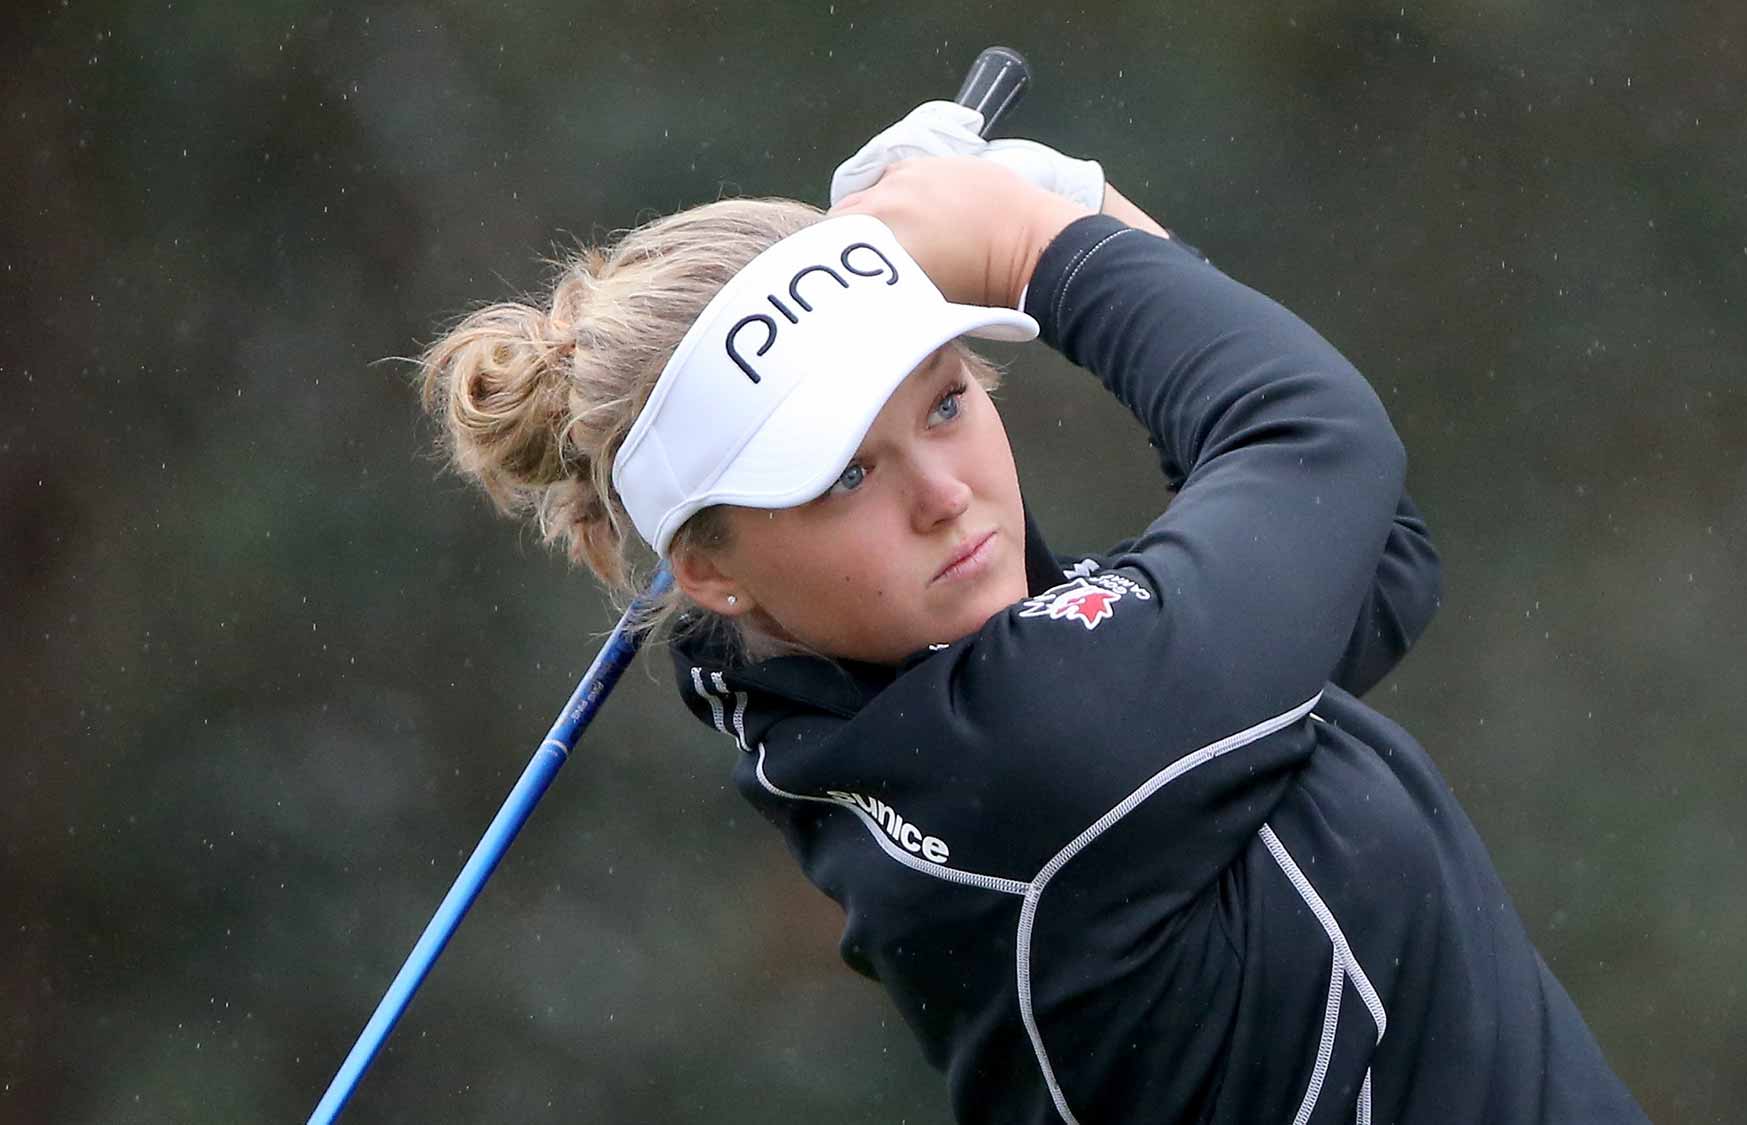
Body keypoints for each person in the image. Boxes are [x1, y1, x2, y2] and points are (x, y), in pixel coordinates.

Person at [419, 106, 1647, 1124]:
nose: (944, 496)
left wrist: (1092, 232)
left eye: (945, 402)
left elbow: (1369, 552)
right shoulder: (1030, 760)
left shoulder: (937, 715)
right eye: (845, 474)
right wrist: (1032, 240)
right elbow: (1310, 442)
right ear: (711, 571)